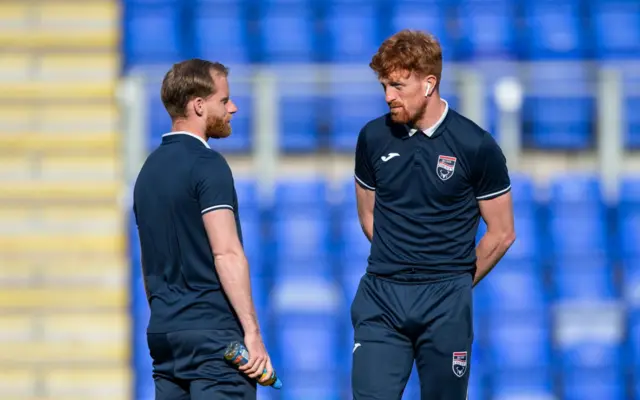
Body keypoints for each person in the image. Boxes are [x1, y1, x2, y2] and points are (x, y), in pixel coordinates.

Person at [351, 30, 516, 399]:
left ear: (429, 83)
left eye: (397, 85)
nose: (388, 96)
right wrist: (402, 262)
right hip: (382, 295)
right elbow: (367, 213)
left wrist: (452, 280)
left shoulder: (477, 145)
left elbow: (502, 232)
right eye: (384, 86)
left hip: (446, 301)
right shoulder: (372, 137)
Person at [132, 59, 272, 400]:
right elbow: (226, 252)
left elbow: (147, 262)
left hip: (165, 336)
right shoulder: (208, 165)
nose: (233, 108)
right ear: (198, 105)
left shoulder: (147, 171)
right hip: (213, 338)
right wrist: (252, 333)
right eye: (224, 101)